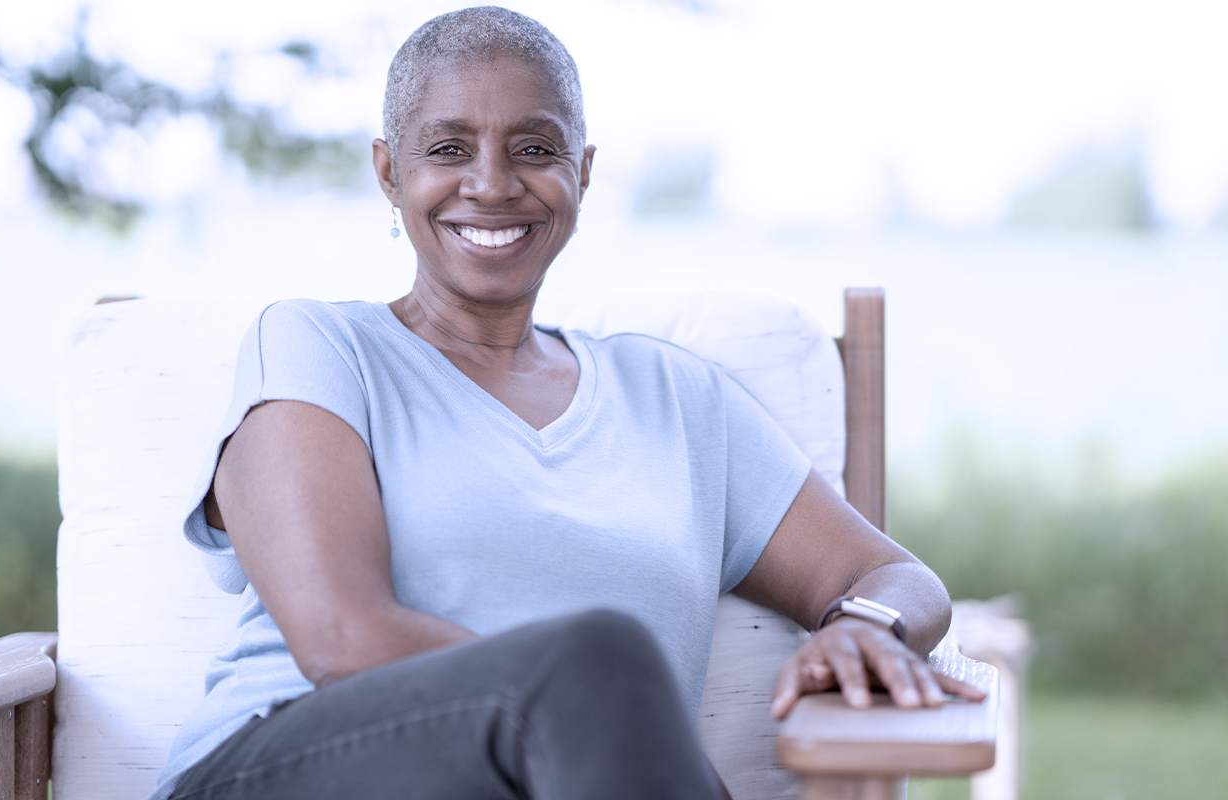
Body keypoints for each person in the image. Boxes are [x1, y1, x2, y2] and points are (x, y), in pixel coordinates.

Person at [151, 7, 983, 800]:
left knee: (598, 667)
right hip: (285, 768)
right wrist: (612, 718)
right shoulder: (320, 349)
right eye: (447, 147)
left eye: (534, 148)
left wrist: (865, 627)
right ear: (388, 172)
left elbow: (892, 575)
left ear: (581, 173)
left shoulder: (679, 400)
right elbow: (341, 636)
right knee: (599, 657)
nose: (491, 183)